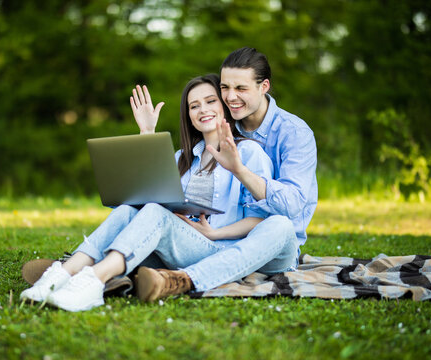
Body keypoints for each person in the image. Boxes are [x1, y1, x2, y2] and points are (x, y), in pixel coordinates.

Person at [20, 74, 274, 311]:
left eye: (210, 101)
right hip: (173, 244)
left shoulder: (249, 153)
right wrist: (147, 133)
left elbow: (262, 219)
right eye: (194, 106)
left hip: (215, 249)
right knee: (127, 210)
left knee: (154, 211)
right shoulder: (181, 159)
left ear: (225, 107)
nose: (203, 110)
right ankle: (64, 273)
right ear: (188, 115)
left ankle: (94, 280)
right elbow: (142, 199)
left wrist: (214, 232)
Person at [133, 47, 317, 300]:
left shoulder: (294, 133)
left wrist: (239, 170)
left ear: (264, 87)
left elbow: (293, 206)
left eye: (240, 89)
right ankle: (94, 266)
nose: (230, 97)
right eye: (224, 88)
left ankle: (184, 280)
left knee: (280, 225)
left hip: (270, 244)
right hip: (218, 243)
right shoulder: (221, 126)